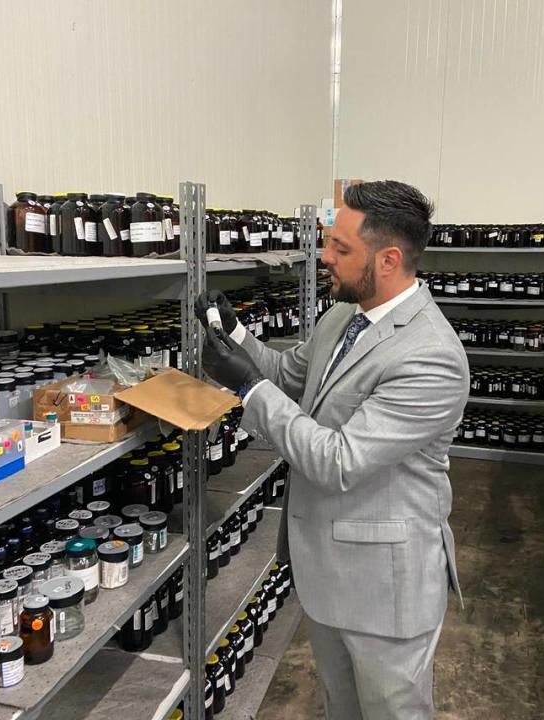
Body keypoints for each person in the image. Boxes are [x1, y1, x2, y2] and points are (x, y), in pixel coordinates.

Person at [195, 180, 469, 719]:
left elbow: (337, 461)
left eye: (341, 248)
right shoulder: (345, 316)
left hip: (385, 590)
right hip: (328, 573)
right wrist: (239, 336)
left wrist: (250, 389)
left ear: (388, 259)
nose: (325, 256)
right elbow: (291, 376)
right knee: (341, 708)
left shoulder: (431, 357)